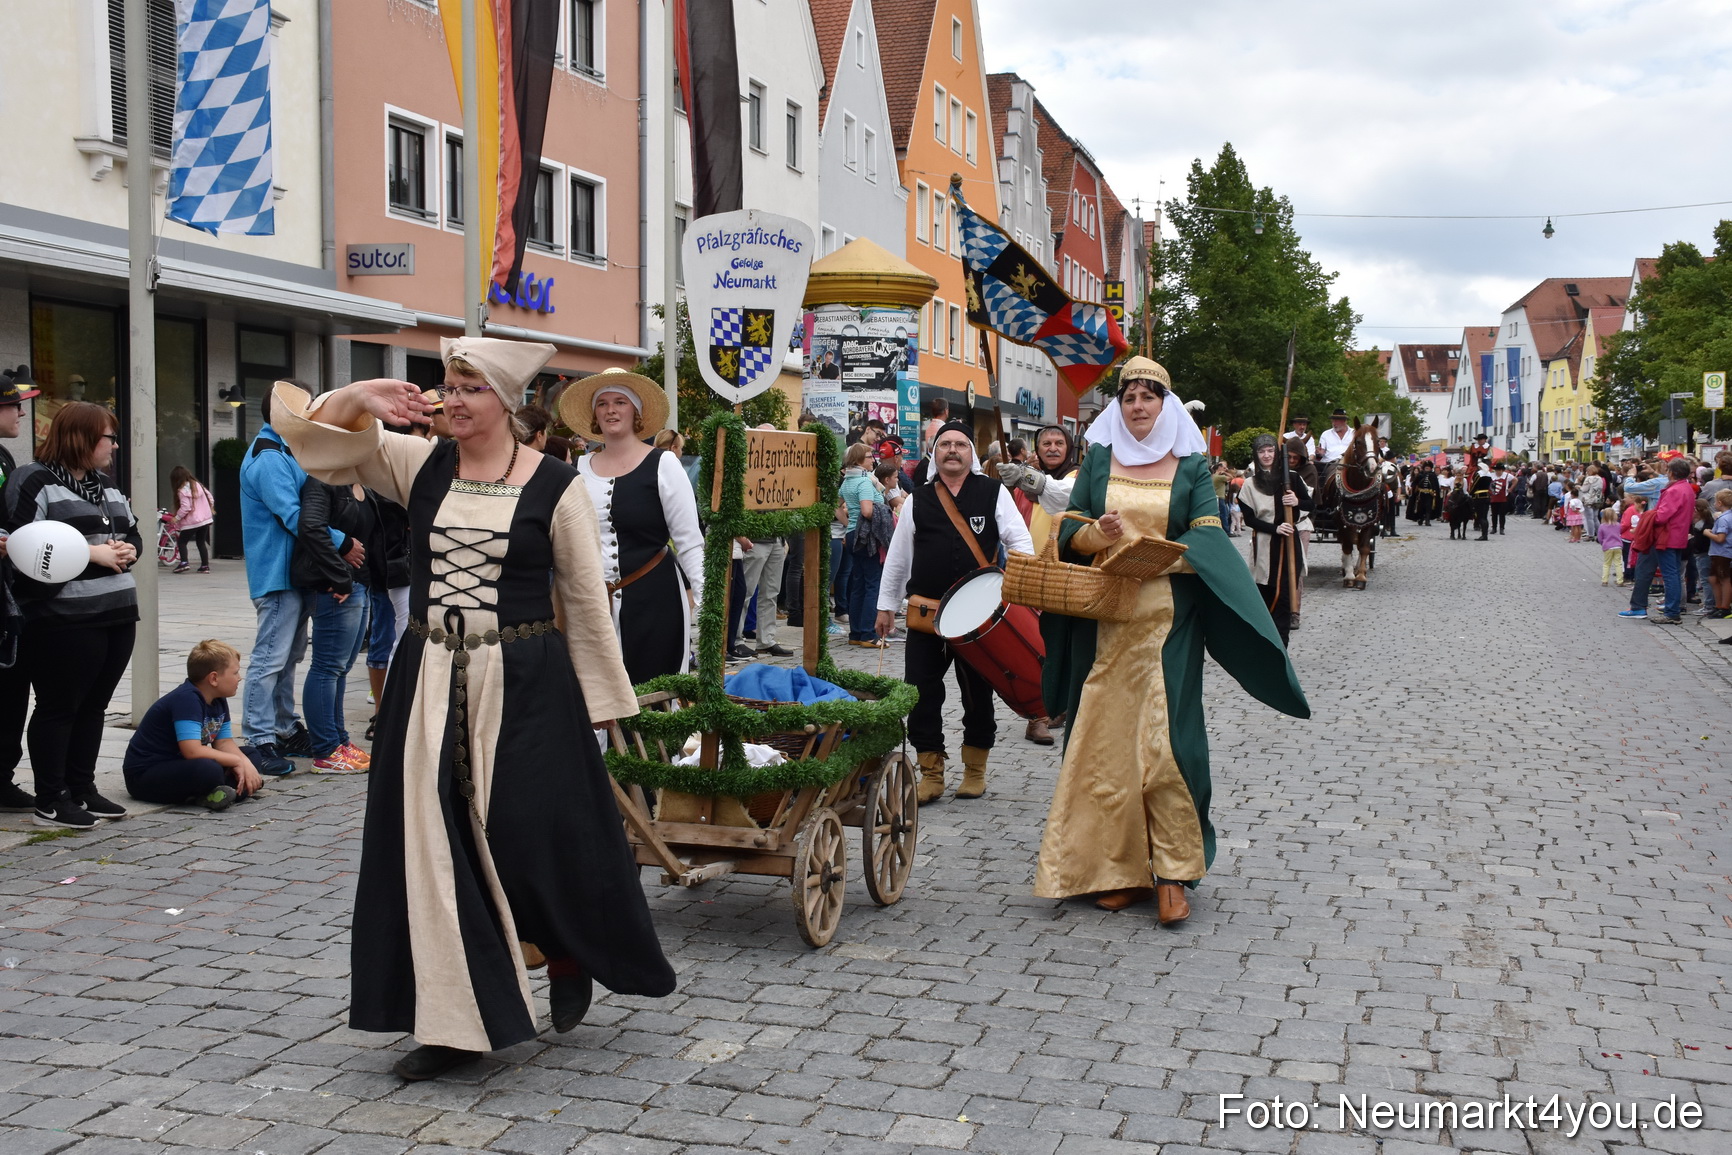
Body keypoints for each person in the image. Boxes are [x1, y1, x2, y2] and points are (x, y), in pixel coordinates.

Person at [271, 337, 673, 1081]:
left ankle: (565, 946)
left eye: (469, 388)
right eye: (447, 386)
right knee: (432, 840)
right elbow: (314, 443)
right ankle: (453, 1021)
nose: (452, 400)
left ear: (508, 401)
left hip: (525, 678)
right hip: (428, 676)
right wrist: (358, 397)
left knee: (528, 828)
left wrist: (603, 705)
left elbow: (585, 599)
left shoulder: (557, 485)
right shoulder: (419, 463)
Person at [1036, 358, 1308, 924]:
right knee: (1105, 747)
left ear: (1166, 404)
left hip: (1168, 625)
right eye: (1129, 396)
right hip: (1105, 625)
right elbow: (1070, 530)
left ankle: (1173, 872)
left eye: (1148, 396)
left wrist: (1158, 555)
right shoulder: (1100, 458)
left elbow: (1208, 536)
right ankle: (1120, 869)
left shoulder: (1191, 465)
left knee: (1166, 747)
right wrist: (1097, 534)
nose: (1138, 406)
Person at [2, 401, 141, 829]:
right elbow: (22, 547)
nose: (114, 446)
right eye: (109, 438)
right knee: (60, 707)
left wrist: (129, 549)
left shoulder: (105, 484)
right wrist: (91, 553)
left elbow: (131, 531)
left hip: (116, 611)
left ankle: (81, 787)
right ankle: (51, 799)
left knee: (94, 706)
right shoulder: (35, 480)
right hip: (63, 617)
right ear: (82, 437)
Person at [876, 421, 1032, 802]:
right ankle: (931, 772)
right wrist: (885, 606)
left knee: (977, 694)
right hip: (926, 615)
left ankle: (975, 771)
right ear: (935, 453)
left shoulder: (993, 492)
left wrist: (1021, 592)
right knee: (920, 692)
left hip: (979, 620)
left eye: (960, 444)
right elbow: (898, 558)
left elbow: (1020, 542)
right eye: (945, 444)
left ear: (970, 453)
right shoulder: (918, 499)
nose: (952, 450)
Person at [562, 369, 704, 684]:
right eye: (602, 404)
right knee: (599, 696)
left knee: (656, 694)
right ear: (594, 415)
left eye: (620, 402)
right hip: (594, 606)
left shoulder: (664, 464)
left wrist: (706, 603)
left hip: (656, 600)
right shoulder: (580, 470)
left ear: (636, 412)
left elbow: (690, 541)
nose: (610, 410)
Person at [239, 380, 330, 777]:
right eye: (305, 408)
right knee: (270, 660)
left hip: (290, 573)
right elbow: (294, 516)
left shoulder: (284, 449)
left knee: (288, 657)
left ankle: (283, 727)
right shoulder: (269, 456)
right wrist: (342, 543)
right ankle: (257, 739)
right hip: (277, 574)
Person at [994, 423, 1080, 745]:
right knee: (1034, 644)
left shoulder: (1077, 477)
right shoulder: (1023, 482)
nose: (1053, 448)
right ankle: (1040, 713)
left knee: (1064, 643)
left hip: (1066, 571)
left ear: (1068, 447)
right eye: (1046, 443)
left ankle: (1060, 704)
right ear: (1037, 449)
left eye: (1059, 442)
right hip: (1030, 572)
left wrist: (1027, 478)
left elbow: (1058, 493)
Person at [293, 475, 374, 774]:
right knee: (327, 668)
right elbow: (311, 527)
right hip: (335, 589)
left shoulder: (362, 483)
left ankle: (339, 741)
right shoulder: (323, 480)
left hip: (358, 585)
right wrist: (338, 575)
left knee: (340, 668)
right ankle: (326, 750)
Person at [122, 639, 262, 810]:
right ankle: (230, 789)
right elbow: (192, 751)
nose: (239, 678)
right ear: (214, 678)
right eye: (235, 673)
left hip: (182, 766)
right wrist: (237, 761)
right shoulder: (187, 699)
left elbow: (224, 743)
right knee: (209, 770)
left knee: (252, 755)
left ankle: (224, 791)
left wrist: (244, 762)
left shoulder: (218, 699)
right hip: (146, 774)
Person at [0, 368, 42, 813]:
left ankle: (2, 778)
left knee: (12, 691)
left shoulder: (5, 458)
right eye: (13, 405)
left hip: (7, 594)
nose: (21, 413)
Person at [1237, 435, 1311, 646]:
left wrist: (1296, 501)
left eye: (1270, 450)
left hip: (1289, 545)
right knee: (1266, 594)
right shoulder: (1249, 484)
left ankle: (1282, 649)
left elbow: (1311, 505)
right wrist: (1275, 528)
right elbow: (1250, 519)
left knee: (1285, 597)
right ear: (1256, 455)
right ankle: (1265, 645)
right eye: (1262, 451)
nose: (1267, 455)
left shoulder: (1292, 478)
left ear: (1276, 453)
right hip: (1265, 545)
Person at [1619, 458, 1695, 624]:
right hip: (1677, 535)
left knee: (1669, 574)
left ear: (1671, 472)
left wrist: (1648, 516)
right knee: (1673, 573)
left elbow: (1661, 516)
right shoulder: (1686, 487)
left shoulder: (1674, 490)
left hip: (1666, 536)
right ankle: (1671, 609)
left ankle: (1671, 611)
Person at [839, 442, 885, 648]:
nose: (873, 460)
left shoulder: (848, 480)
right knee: (872, 584)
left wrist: (848, 524)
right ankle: (868, 634)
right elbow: (867, 511)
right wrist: (882, 516)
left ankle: (856, 633)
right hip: (867, 538)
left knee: (858, 584)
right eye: (869, 456)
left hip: (852, 535)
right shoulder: (864, 482)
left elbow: (835, 506)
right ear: (858, 460)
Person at [168, 464, 215, 573]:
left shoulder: (182, 490)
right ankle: (205, 566)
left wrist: (177, 518)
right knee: (201, 542)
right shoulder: (198, 485)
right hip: (204, 520)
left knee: (182, 542)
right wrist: (207, 509)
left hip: (191, 522)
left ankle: (184, 563)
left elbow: (186, 507)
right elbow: (210, 498)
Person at [1706, 489, 1732, 619]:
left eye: (1715, 502)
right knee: (1713, 578)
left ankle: (1725, 607)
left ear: (1720, 503)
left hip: (1723, 552)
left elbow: (1720, 538)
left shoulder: (1724, 519)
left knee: (1724, 579)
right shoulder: (1725, 517)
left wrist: (1707, 533)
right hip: (1718, 553)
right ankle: (1719, 605)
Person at [1597, 507, 1624, 586]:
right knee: (1618, 564)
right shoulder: (1618, 525)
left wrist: (1603, 543)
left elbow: (1600, 538)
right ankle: (1620, 580)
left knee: (1607, 564)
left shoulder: (1602, 526)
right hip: (1618, 546)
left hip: (1608, 546)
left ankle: (1605, 580)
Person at [1469, 462, 1493, 540]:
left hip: (1479, 497)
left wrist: (1470, 493)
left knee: (1480, 517)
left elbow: (1474, 485)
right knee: (1484, 517)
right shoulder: (1489, 474)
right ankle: (1485, 534)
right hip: (1486, 496)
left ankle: (1484, 535)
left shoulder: (1479, 474)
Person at [1487, 462, 1512, 535]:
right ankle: (1494, 528)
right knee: (1494, 514)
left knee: (1502, 514)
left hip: (1503, 498)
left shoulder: (1507, 475)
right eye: (1496, 470)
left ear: (1502, 470)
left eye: (1499, 470)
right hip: (1494, 497)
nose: (1497, 471)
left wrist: (1510, 488)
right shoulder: (1491, 475)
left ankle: (1502, 528)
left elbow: (1515, 480)